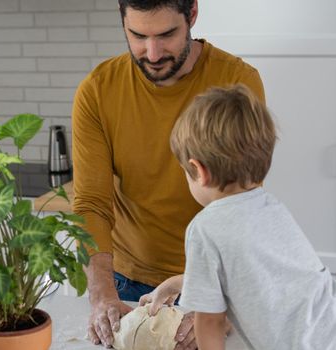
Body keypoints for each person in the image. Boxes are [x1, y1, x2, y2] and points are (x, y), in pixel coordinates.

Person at [72, 0, 265, 348]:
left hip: (211, 283)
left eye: (167, 34)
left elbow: (243, 206)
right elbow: (91, 203)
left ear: (191, 14)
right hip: (125, 282)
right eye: (138, 35)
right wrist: (102, 294)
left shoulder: (236, 81)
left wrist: (216, 294)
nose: (153, 52)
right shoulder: (98, 90)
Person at [141, 84, 336, 349]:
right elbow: (250, 282)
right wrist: (176, 283)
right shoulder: (272, 208)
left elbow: (210, 322)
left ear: (199, 171)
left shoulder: (205, 227)